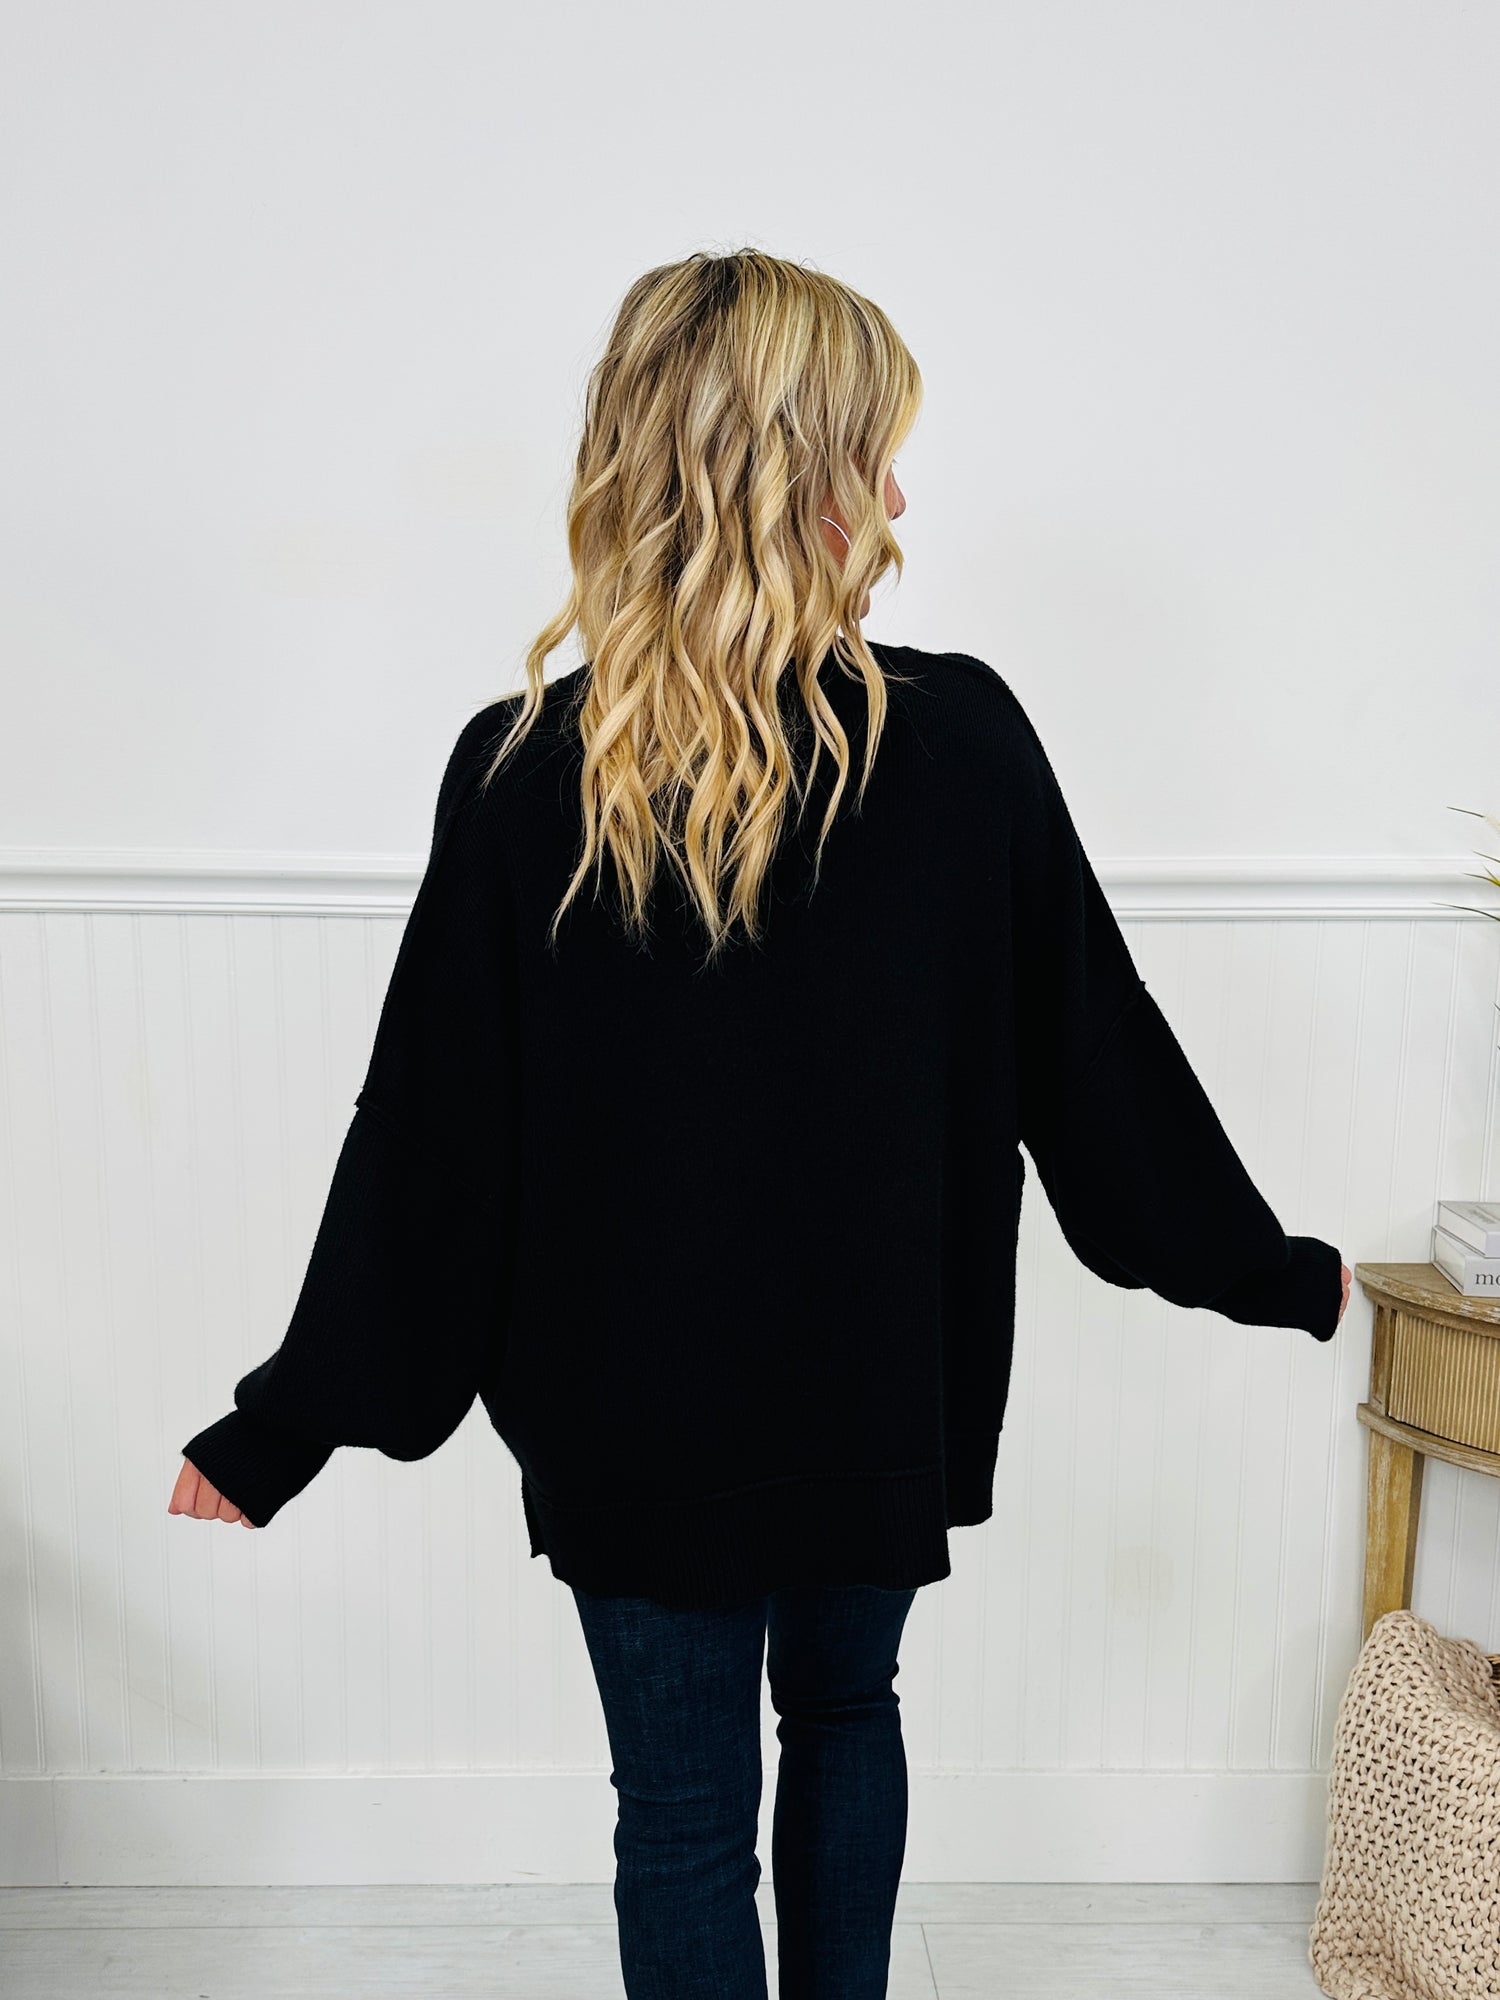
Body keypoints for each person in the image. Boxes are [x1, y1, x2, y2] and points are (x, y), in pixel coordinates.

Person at [169, 248, 1353, 2000]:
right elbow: (1100, 1069)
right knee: (848, 1715)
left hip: (628, 1417)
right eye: (877, 455)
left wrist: (285, 1425)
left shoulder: (525, 770)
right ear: (794, 475)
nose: (902, 500)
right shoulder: (960, 745)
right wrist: (1275, 1270)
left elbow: (430, 1148)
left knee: (680, 1813)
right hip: (872, 1382)